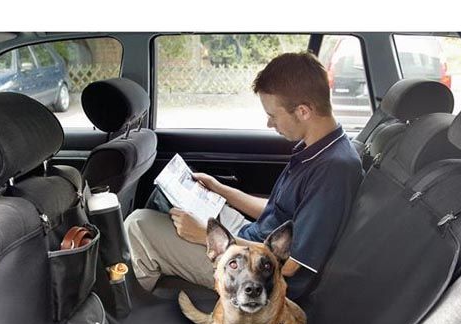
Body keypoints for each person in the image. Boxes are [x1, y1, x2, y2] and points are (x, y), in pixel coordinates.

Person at [124, 51, 363, 299]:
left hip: (259, 273)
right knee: (180, 205)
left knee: (138, 226)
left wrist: (207, 237)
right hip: (251, 237)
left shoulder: (333, 170)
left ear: (303, 111)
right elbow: (276, 211)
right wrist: (219, 189)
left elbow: (291, 264)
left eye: (272, 115)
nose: (269, 124)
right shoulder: (315, 149)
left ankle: (131, 308)